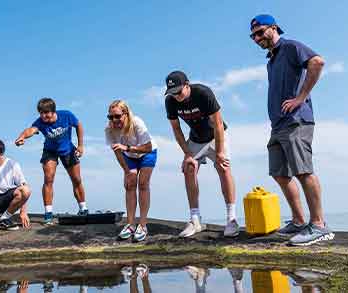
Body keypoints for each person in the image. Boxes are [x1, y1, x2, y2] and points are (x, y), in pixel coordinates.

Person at [249, 14, 334, 245]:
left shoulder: (290, 47)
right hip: (278, 125)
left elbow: (317, 62)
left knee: (303, 170)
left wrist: (301, 97)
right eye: (253, 36)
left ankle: (318, 224)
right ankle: (298, 221)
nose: (257, 38)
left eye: (260, 32)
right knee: (279, 173)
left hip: (297, 120)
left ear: (274, 28)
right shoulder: (272, 60)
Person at [164, 70, 239, 238]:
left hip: (216, 135)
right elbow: (176, 130)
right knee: (189, 168)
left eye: (179, 91)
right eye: (172, 93)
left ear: (187, 85)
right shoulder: (170, 101)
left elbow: (218, 124)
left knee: (223, 167)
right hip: (196, 139)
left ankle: (231, 219)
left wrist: (219, 152)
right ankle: (195, 219)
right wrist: (187, 154)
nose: (176, 96)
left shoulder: (203, 93)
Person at [15, 97, 88, 225]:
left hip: (68, 150)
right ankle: (48, 213)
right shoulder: (40, 121)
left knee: (76, 179)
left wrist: (81, 145)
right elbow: (31, 130)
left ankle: (83, 208)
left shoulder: (66, 115)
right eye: (41, 113)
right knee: (48, 179)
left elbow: (79, 125)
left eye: (46, 113)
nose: (44, 116)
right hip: (50, 151)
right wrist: (22, 137)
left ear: (54, 111)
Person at [105, 100, 157, 242]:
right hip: (129, 157)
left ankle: (143, 224)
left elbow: (148, 147)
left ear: (126, 114)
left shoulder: (137, 123)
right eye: (110, 117)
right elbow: (117, 152)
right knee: (130, 184)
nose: (114, 120)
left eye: (117, 116)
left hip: (147, 153)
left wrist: (127, 148)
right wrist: (127, 172)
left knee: (143, 184)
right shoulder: (109, 129)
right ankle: (130, 224)